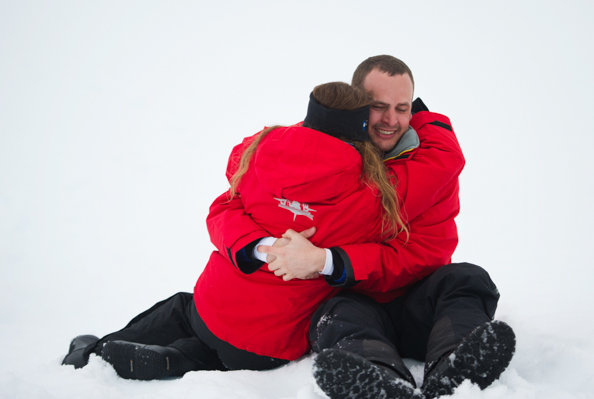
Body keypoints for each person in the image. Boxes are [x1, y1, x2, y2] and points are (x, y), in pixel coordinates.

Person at [62, 82, 420, 398]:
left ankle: (93, 353)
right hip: (273, 344)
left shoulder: (260, 151)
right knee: (224, 348)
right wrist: (428, 122)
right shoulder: (373, 195)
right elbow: (421, 195)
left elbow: (221, 210)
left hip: (211, 308)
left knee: (183, 310)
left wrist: (260, 246)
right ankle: (176, 359)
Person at [210, 55, 516, 399]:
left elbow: (426, 251)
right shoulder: (309, 160)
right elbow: (238, 201)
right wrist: (274, 248)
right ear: (355, 106)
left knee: (467, 280)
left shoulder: (427, 165)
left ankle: (457, 369)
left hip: (413, 302)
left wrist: (327, 260)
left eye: (402, 108)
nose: (391, 120)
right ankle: (380, 382)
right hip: (353, 304)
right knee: (339, 314)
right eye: (378, 106)